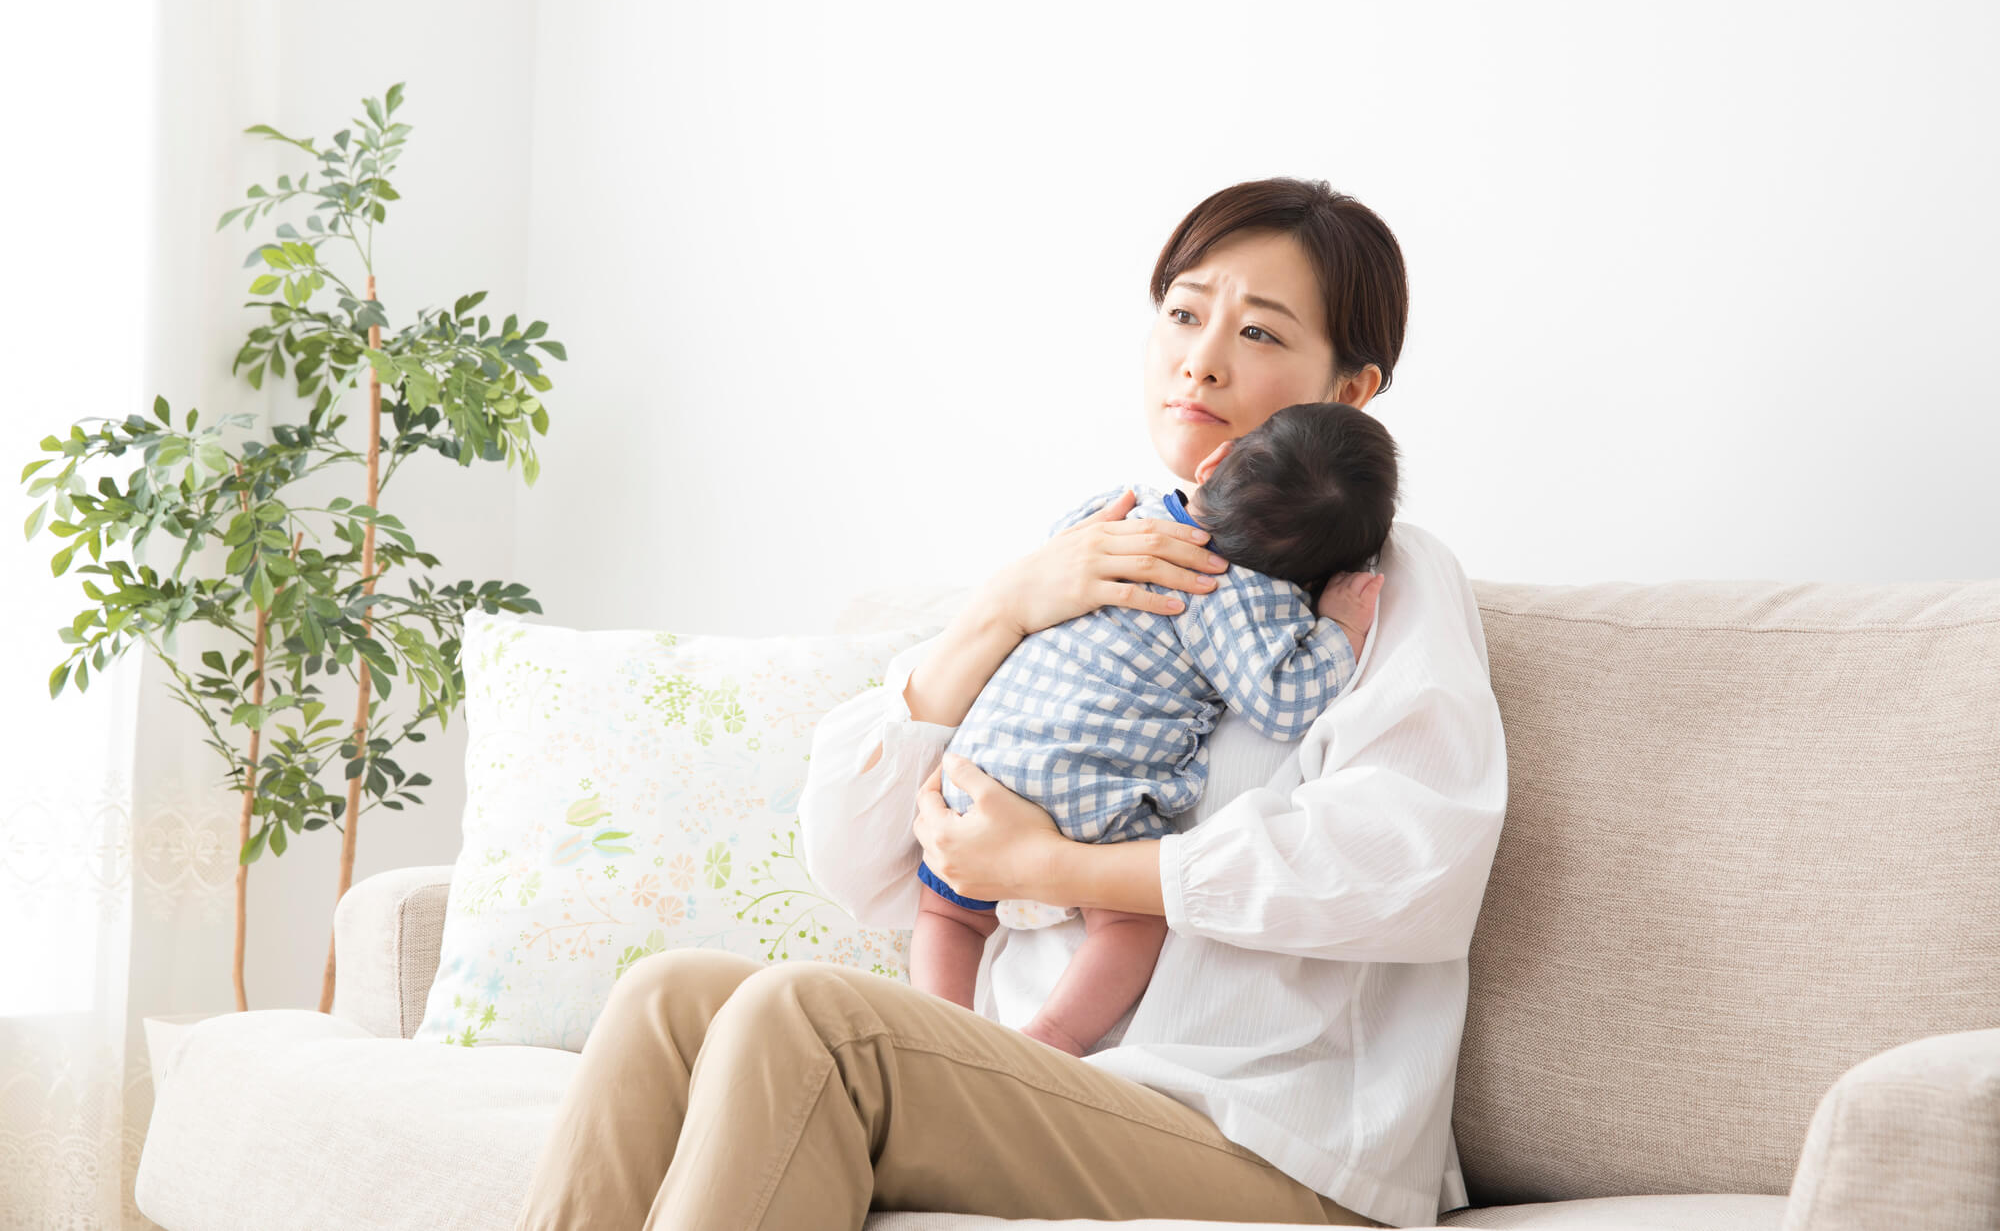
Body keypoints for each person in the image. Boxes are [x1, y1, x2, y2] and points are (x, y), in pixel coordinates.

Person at [508, 177, 1508, 1231]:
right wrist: (997, 609)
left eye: (1257, 331)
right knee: (665, 1002)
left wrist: (1053, 871)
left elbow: (1407, 863)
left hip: (1260, 1133)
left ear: (1347, 392)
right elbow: (853, 857)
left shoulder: (1384, 581)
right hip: (1024, 1084)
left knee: (813, 1021)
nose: (1199, 358)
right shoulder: (1089, 550)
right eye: (1181, 313)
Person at [909, 398, 1402, 1068]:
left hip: (981, 765)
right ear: (1312, 574)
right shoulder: (1242, 594)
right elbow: (1283, 701)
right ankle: (1052, 1037)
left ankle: (931, 1037)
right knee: (1133, 921)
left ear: (1217, 460)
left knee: (946, 913)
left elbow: (1056, 548)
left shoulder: (1121, 508)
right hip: (1084, 793)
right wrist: (1339, 628)